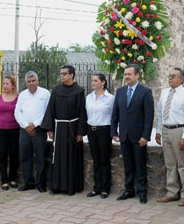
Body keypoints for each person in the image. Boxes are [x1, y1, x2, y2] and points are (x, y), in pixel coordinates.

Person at [111, 64, 154, 204]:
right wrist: (114, 132)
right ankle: (128, 191)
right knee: (128, 165)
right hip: (124, 136)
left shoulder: (145, 92)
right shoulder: (120, 91)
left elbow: (149, 117)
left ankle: (142, 193)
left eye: (129, 74)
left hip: (138, 137)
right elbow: (115, 114)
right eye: (125, 74)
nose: (127, 77)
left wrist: (145, 136)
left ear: (137, 75)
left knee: (140, 166)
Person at [41, 65, 87, 195]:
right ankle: (56, 186)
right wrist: (50, 128)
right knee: (58, 157)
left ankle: (71, 187)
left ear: (72, 75)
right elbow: (50, 109)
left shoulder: (79, 91)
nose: (62, 76)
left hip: (73, 128)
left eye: (64, 74)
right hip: (59, 129)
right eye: (60, 74)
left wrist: (80, 132)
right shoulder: (55, 90)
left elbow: (82, 112)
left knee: (72, 158)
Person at [155, 67, 184, 206]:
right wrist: (158, 131)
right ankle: (172, 192)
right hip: (166, 129)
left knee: (182, 165)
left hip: (179, 130)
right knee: (170, 164)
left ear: (181, 79)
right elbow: (160, 113)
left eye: (173, 76)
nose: (170, 78)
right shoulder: (165, 93)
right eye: (169, 76)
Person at [14, 71, 51, 193]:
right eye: (29, 81)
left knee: (40, 157)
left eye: (33, 80)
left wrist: (34, 124)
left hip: (39, 130)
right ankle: (28, 182)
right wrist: (26, 126)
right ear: (26, 82)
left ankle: (40, 184)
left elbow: (47, 112)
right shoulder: (22, 95)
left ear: (37, 81)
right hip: (24, 130)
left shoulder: (45, 93)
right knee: (25, 157)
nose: (31, 83)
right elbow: (17, 112)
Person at [85, 73, 115, 199]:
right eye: (92, 80)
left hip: (104, 130)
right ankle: (96, 187)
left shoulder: (110, 98)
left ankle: (105, 188)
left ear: (103, 82)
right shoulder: (89, 97)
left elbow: (114, 117)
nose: (93, 83)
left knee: (104, 160)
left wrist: (114, 133)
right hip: (92, 130)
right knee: (96, 160)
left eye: (96, 80)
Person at [0, 75, 20, 190]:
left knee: (14, 154)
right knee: (2, 154)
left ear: (13, 86)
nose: (4, 86)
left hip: (15, 129)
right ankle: (4, 180)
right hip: (1, 129)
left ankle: (13, 178)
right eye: (3, 83)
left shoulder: (19, 97)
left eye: (7, 83)